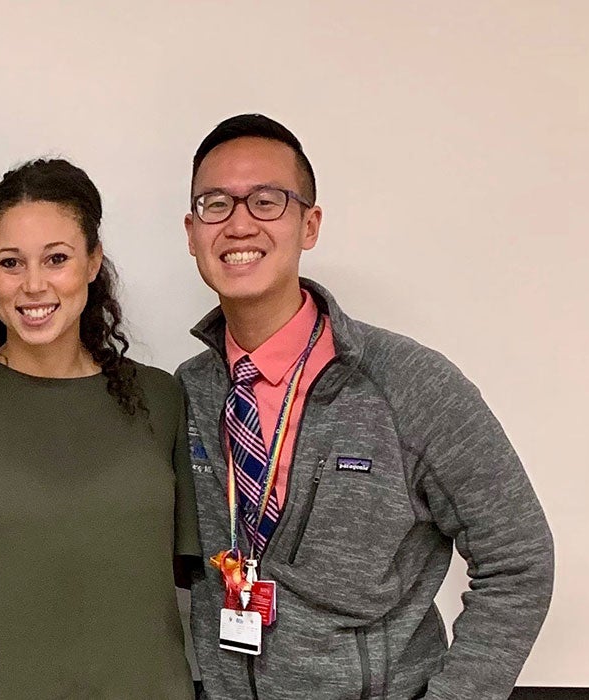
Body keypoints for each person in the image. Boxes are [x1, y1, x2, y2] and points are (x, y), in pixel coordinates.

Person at [176, 114, 554, 699]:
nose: (239, 223)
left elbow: (519, 559)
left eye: (268, 201)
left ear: (310, 224)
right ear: (192, 231)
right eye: (216, 204)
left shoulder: (409, 384)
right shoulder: (189, 391)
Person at [0, 159, 200, 699]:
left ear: (93, 261)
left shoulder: (162, 399)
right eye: (11, 262)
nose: (34, 285)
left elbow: (195, 570)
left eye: (57, 259)